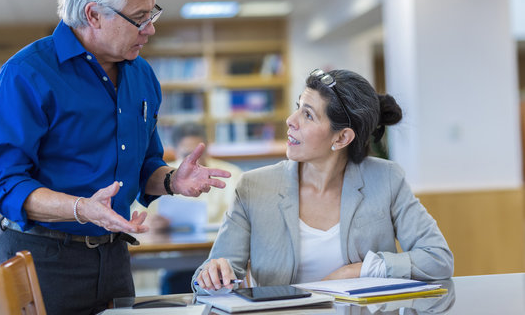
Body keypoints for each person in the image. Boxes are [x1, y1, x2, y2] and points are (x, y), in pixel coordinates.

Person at [0, 0, 230, 314]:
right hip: (40, 259)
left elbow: (146, 165)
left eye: (152, 14)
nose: (150, 29)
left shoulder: (142, 75)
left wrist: (174, 180)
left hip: (114, 257)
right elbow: (2, 183)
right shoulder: (24, 75)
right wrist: (81, 208)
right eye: (139, 18)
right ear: (94, 14)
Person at [193, 69, 454, 292]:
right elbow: (209, 277)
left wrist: (359, 270)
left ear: (341, 138)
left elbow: (438, 259)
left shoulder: (385, 179)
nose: (290, 121)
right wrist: (213, 275)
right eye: (298, 108)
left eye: (308, 115)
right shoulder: (254, 187)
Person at [139, 122, 242, 294]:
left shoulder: (232, 174)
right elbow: (142, 219)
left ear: (208, 147)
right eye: (188, 154)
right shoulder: (163, 177)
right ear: (175, 150)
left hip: (220, 259)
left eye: (200, 153)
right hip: (178, 260)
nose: (196, 161)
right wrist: (151, 223)